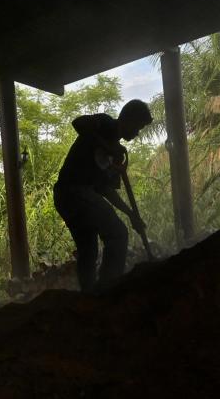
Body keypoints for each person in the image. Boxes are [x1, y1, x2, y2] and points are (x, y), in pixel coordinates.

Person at [53, 99, 153, 292]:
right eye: (138, 126)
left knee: (89, 250)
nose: (137, 132)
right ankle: (109, 290)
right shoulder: (105, 123)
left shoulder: (117, 158)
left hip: (75, 198)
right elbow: (78, 123)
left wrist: (132, 214)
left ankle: (89, 297)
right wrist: (108, 147)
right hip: (71, 191)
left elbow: (106, 191)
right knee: (118, 234)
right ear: (127, 118)